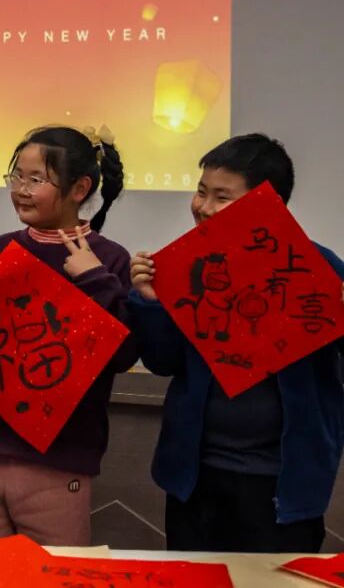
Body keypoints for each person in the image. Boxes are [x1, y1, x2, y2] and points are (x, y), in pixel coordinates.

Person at [128, 133, 344, 552]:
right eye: (201, 191)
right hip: (196, 478)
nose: (204, 207)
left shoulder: (316, 267)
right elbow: (162, 361)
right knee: (192, 578)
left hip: (281, 487)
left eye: (222, 197)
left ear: (268, 203)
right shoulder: (187, 268)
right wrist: (150, 302)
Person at [0, 125, 136, 546]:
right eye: (17, 177)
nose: (21, 191)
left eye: (36, 180)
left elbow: (123, 355)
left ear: (80, 188)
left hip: (60, 459)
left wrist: (96, 280)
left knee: (53, 571)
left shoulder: (109, 259)